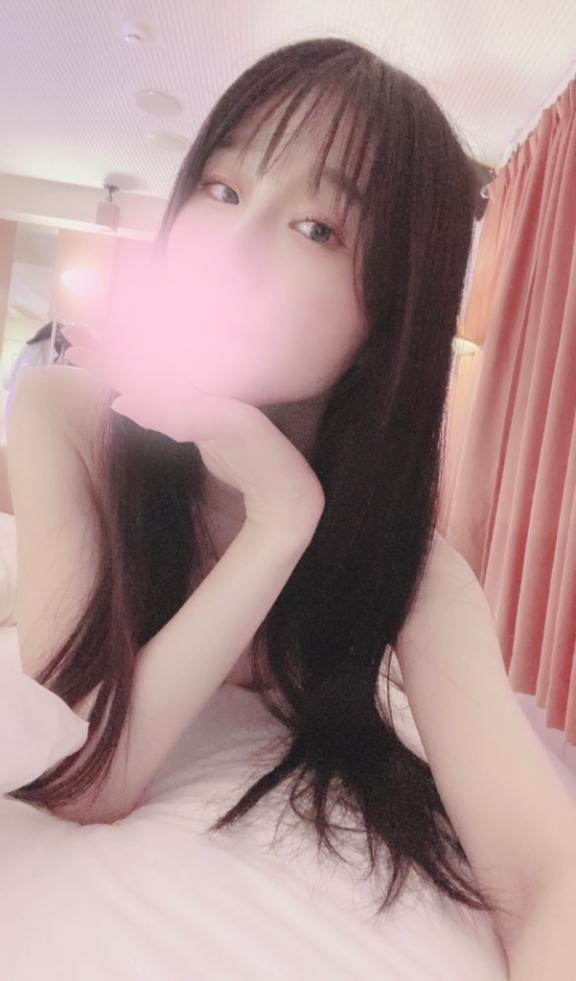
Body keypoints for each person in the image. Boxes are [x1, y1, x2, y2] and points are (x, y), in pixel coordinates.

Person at [7, 37, 574, 951]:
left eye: (318, 229)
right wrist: (278, 520)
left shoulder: (412, 569)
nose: (228, 248)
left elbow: (547, 872)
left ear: (388, 318)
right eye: (221, 189)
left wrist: (295, 509)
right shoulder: (65, 415)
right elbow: (80, 776)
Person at [3, 321, 71, 417]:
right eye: (57, 332)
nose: (58, 336)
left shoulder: (63, 352)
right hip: (28, 400)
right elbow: (20, 376)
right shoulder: (34, 349)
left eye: (61, 334)